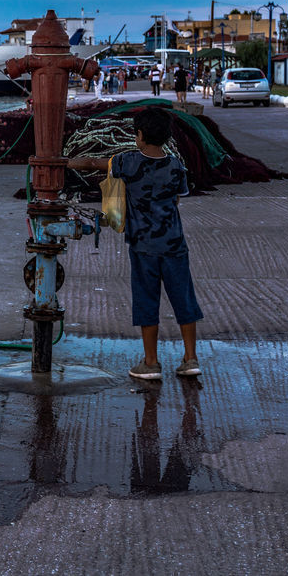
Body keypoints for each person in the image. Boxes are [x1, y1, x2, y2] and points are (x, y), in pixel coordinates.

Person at [67, 107, 202, 380]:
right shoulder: (176, 165)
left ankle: (151, 363)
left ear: (139, 136)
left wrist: (65, 163)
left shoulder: (127, 161)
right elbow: (177, 198)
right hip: (175, 244)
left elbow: (95, 163)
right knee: (184, 299)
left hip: (143, 246)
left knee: (146, 300)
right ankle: (190, 359)